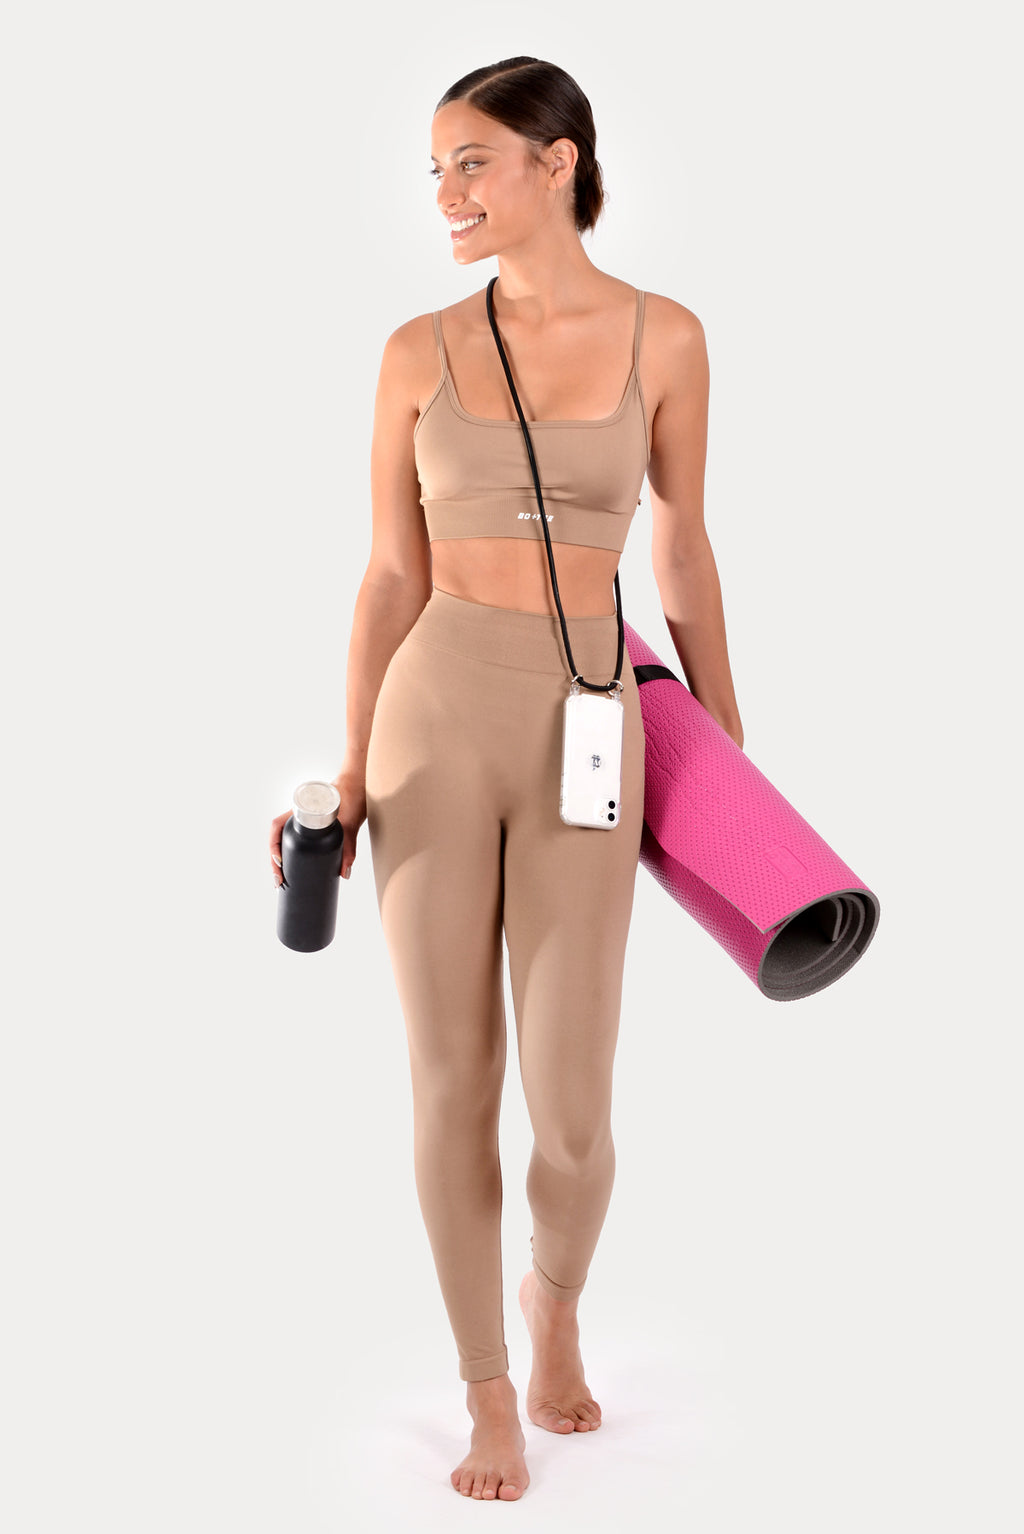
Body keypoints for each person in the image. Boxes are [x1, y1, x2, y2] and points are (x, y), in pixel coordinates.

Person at [269, 56, 743, 1503]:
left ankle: (555, 1294)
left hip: (588, 718)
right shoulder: (415, 350)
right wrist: (352, 772)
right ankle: (487, 1384)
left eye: (471, 161)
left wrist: (730, 760)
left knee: (576, 1108)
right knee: (451, 1076)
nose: (447, 194)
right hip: (434, 715)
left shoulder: (667, 338)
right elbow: (388, 573)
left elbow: (680, 550)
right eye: (435, 170)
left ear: (559, 162)